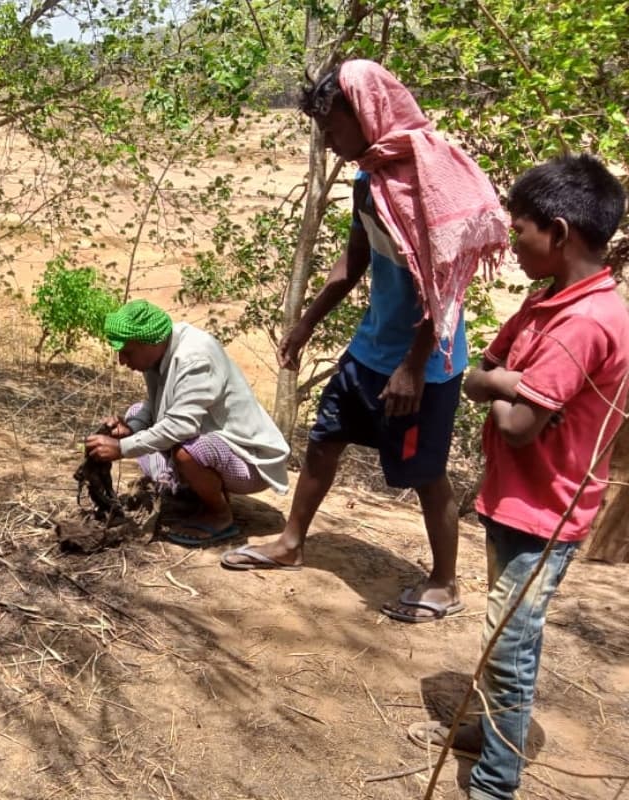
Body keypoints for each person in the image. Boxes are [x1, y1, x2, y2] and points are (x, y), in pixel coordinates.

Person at [221, 60, 508, 625]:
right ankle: (291, 541)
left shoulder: (428, 180)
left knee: (424, 473)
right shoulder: (369, 181)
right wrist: (306, 322)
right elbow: (354, 262)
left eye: (332, 128)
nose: (328, 143)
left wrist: (412, 366)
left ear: (365, 113)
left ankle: (446, 583)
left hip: (425, 364)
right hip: (370, 350)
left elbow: (446, 287)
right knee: (325, 440)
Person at [408, 154, 629, 799]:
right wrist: (506, 382)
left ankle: (496, 782)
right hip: (516, 500)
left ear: (558, 233)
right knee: (502, 633)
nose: (514, 240)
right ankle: (489, 729)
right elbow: (482, 371)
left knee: (510, 646)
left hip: (545, 510)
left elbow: (516, 424)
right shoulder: (548, 302)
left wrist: (502, 385)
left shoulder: (585, 323)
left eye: (521, 227)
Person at [85, 300, 290, 545]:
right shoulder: (157, 356)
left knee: (188, 452)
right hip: (216, 443)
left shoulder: (194, 357)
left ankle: (220, 516)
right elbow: (155, 405)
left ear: (150, 342)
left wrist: (122, 448)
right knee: (136, 412)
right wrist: (131, 429)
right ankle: (192, 490)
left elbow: (181, 426)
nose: (122, 360)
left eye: (127, 352)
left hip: (250, 462)